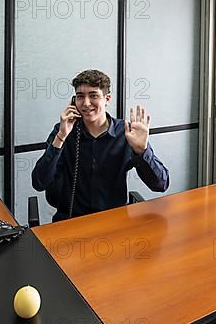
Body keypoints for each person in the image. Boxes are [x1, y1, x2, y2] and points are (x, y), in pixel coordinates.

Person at [31, 69, 169, 222]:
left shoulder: (127, 133)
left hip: (113, 223)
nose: (86, 103)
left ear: (107, 99)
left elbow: (161, 184)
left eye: (93, 95)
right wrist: (61, 138)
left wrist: (142, 151)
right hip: (70, 222)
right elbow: (39, 182)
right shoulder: (63, 131)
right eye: (80, 96)